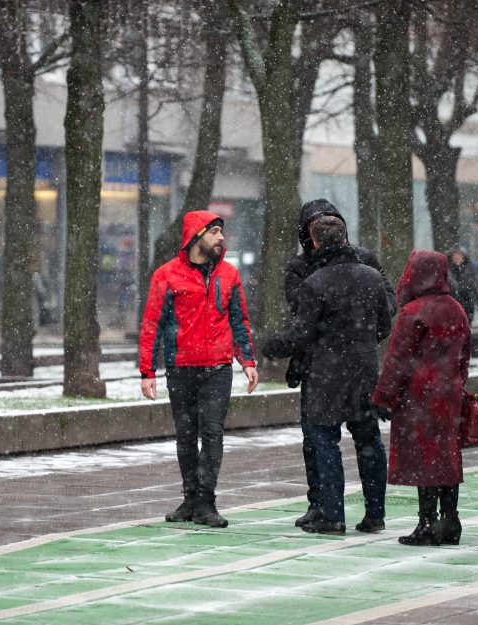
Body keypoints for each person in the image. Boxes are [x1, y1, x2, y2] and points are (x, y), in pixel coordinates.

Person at [263, 215, 391, 536]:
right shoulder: (372, 277)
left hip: (326, 374)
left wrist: (273, 345)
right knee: (369, 441)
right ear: (346, 237)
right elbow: (384, 325)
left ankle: (333, 515)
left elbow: (302, 335)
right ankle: (374, 514)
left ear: (316, 243)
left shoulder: (314, 283)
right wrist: (361, 344)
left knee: (325, 441)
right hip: (363, 371)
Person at [139, 210, 259, 528]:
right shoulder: (166, 276)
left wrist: (247, 361)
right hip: (180, 368)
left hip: (218, 368)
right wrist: (147, 372)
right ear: (196, 235)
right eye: (215, 232)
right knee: (186, 436)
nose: (221, 238)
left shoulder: (230, 275)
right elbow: (153, 323)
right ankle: (190, 498)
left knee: (213, 433)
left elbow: (239, 321)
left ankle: (206, 501)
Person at [372, 250, 471, 546]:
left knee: (424, 460)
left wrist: (383, 397)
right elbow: (464, 355)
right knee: (447, 457)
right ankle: (450, 519)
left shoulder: (413, 311)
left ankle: (427, 523)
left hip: (418, 398)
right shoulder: (456, 309)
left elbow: (397, 361)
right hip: (449, 396)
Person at [447, 247, 478, 324]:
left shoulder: (470, 270)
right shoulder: (447, 270)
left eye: (459, 254)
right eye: (455, 254)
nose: (457, 257)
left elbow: (476, 289)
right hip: (451, 307)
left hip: (467, 305)